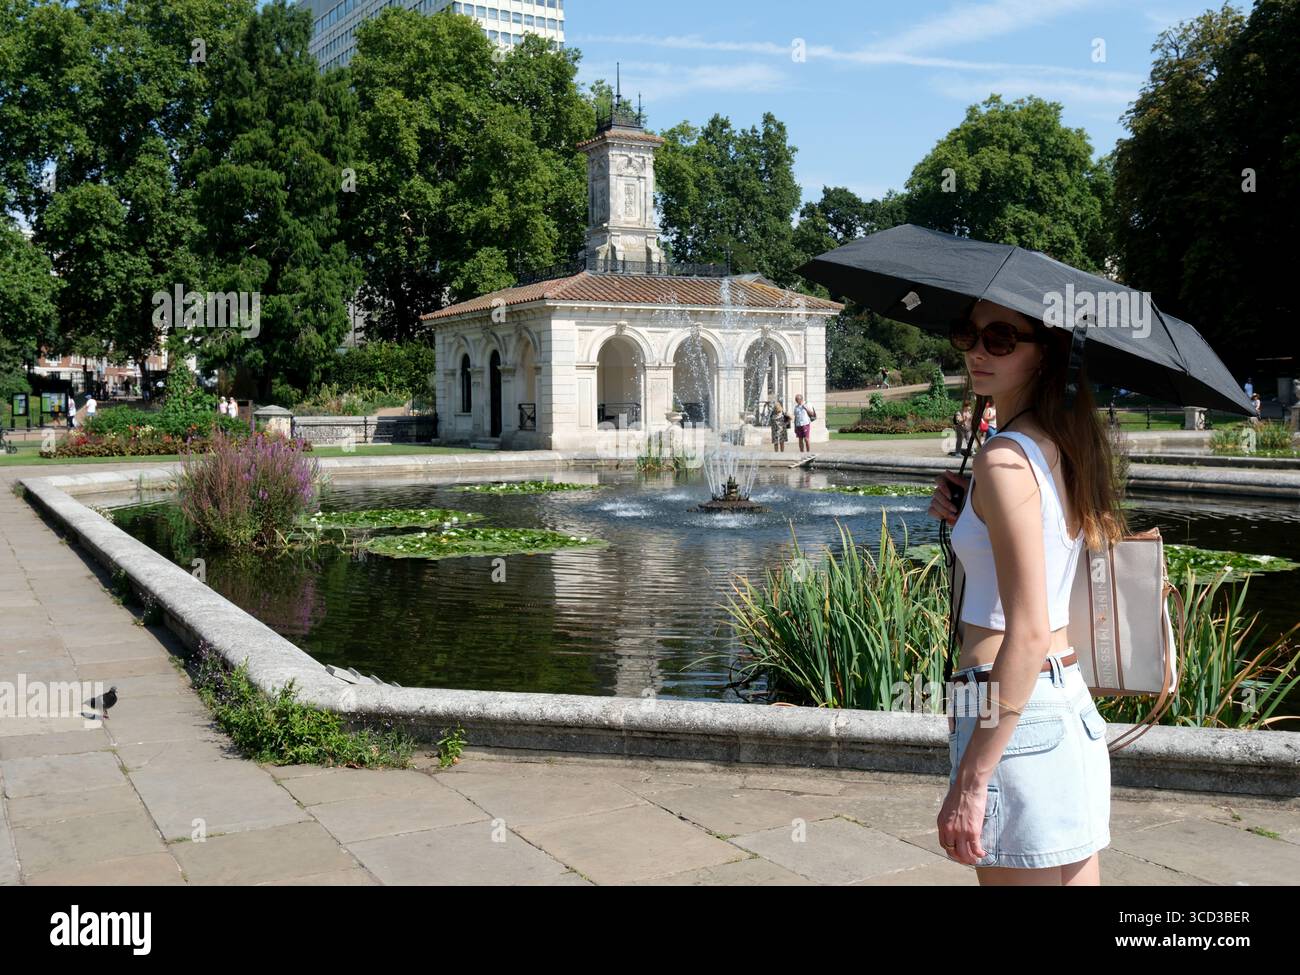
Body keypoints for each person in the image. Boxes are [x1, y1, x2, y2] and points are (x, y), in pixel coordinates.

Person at [926, 297, 1123, 886]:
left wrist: (972, 781)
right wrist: (970, 517)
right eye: (967, 333)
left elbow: (1028, 630)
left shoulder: (1004, 460)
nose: (977, 351)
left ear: (1045, 355)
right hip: (1064, 703)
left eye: (1001, 338)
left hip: (1007, 703)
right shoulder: (1060, 446)